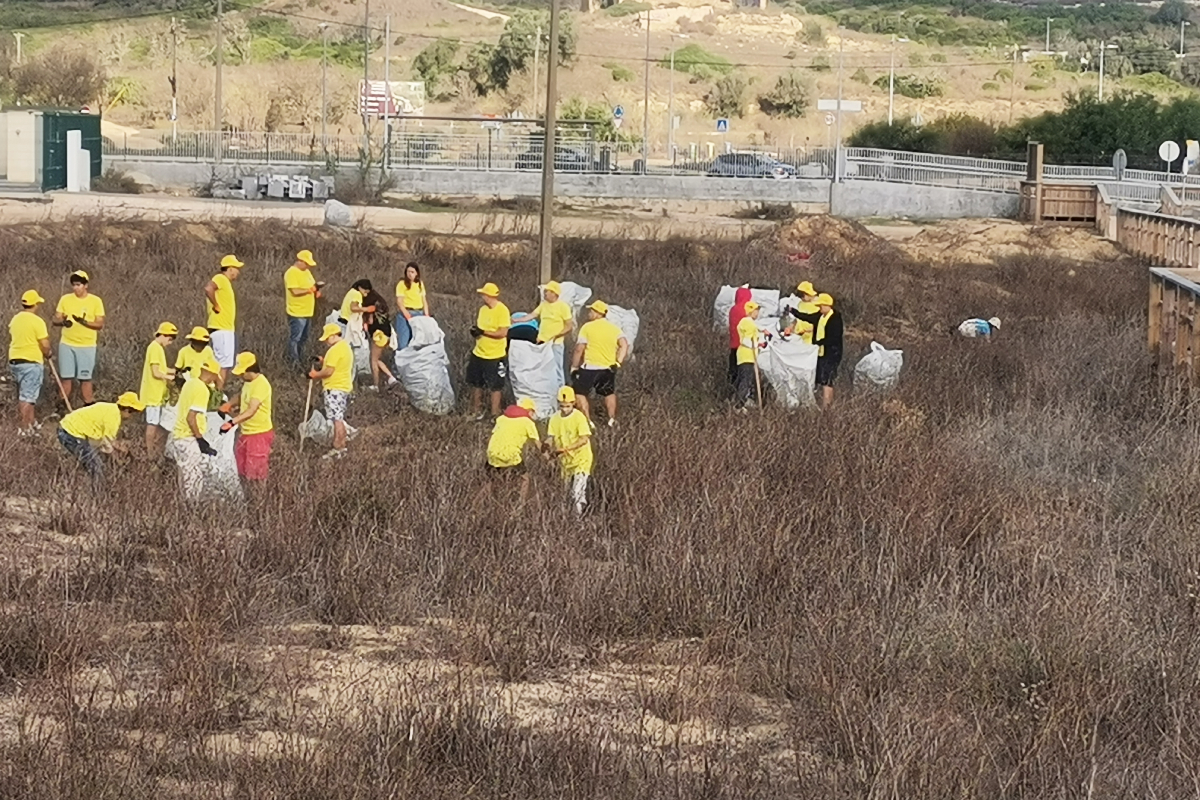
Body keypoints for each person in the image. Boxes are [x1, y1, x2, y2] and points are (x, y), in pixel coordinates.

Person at [57, 391, 144, 482]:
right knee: (95, 466)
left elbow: (101, 441)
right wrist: (121, 454)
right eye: (132, 412)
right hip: (71, 433)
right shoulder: (114, 418)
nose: (131, 416)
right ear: (126, 409)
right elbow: (108, 443)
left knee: (90, 460)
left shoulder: (109, 408)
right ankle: (99, 493)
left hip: (67, 429)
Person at [571, 300, 629, 428]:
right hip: (608, 368)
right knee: (608, 393)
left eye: (591, 311)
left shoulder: (587, 327)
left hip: (589, 367)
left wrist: (574, 367)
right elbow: (624, 344)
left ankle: (587, 421)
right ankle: (612, 419)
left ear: (598, 313)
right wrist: (618, 362)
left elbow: (579, 349)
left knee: (580, 393)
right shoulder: (614, 328)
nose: (589, 313)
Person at [170, 356, 221, 500]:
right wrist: (200, 440)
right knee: (193, 479)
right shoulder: (202, 390)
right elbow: (191, 418)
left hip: (178, 436)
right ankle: (193, 510)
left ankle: (182, 507)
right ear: (212, 374)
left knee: (183, 477)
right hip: (189, 438)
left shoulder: (190, 383)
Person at [53, 270, 105, 407]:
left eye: (79, 284)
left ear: (85, 285)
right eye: (74, 285)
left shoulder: (95, 301)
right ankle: (61, 407)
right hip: (67, 344)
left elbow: (99, 324)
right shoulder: (65, 299)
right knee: (66, 378)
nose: (76, 288)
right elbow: (56, 318)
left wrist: (84, 322)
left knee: (85, 379)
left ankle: (88, 406)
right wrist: (62, 322)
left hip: (87, 345)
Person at [221, 351, 274, 484]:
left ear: (250, 370)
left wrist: (232, 422)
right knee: (242, 469)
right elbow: (242, 396)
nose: (239, 375)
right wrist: (229, 404)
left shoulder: (261, 384)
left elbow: (251, 410)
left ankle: (258, 500)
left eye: (241, 372)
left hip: (258, 434)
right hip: (245, 433)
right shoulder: (248, 382)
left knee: (256, 473)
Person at [512, 280, 574, 387]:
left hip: (555, 344)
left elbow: (569, 326)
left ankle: (560, 392)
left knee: (557, 368)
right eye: (545, 291)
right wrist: (517, 320)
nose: (545, 294)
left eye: (548, 291)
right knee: (543, 369)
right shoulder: (543, 305)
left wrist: (556, 336)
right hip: (541, 342)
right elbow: (532, 315)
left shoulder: (563, 307)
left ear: (555, 294)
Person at [544, 386, 593, 516]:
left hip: (581, 459)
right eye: (562, 406)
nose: (565, 409)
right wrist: (547, 447)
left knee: (577, 491)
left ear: (573, 403)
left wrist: (565, 449)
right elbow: (551, 437)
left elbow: (584, 439)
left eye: (568, 406)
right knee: (564, 491)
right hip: (565, 462)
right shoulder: (554, 418)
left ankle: (579, 518)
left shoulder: (579, 417)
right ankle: (566, 516)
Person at [9, 289, 51, 436]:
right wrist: (48, 353)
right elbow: (44, 344)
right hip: (31, 362)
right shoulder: (37, 321)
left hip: (15, 361)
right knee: (27, 396)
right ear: (35, 304)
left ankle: (31, 423)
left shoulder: (15, 319)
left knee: (28, 394)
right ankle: (24, 428)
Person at [309, 323, 354, 460]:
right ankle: (343, 446)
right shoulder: (345, 347)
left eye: (328, 338)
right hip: (344, 387)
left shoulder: (334, 350)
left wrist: (314, 375)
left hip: (334, 389)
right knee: (339, 417)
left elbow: (329, 371)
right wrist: (322, 360)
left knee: (337, 420)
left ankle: (338, 447)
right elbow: (334, 364)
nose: (326, 342)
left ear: (334, 336)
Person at [485, 397, 541, 505]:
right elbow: (539, 446)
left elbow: (492, 436)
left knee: (490, 482)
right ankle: (521, 505)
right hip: (510, 455)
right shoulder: (527, 422)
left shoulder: (502, 418)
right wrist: (549, 458)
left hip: (492, 453)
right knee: (525, 478)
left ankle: (477, 506)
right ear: (529, 411)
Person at [467, 282, 511, 419]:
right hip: (479, 352)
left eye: (484, 294)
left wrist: (484, 332)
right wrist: (476, 332)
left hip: (495, 355)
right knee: (476, 383)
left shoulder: (502, 311)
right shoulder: (482, 310)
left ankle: (495, 414)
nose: (482, 297)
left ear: (490, 296)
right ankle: (476, 411)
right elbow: (481, 328)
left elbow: (502, 333)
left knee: (495, 386)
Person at [139, 322, 178, 459]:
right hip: (152, 394)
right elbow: (156, 372)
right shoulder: (154, 348)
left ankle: (154, 449)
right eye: (170, 338)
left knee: (157, 424)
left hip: (158, 394)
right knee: (152, 424)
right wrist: (170, 378)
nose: (170, 342)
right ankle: (150, 453)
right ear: (164, 335)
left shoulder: (158, 349)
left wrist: (176, 371)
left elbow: (162, 368)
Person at [205, 254, 243, 382]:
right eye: (236, 268)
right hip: (222, 327)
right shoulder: (220, 278)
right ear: (230, 268)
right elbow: (209, 288)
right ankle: (218, 394)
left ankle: (213, 392)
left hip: (222, 328)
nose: (238, 272)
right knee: (223, 365)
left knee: (218, 363)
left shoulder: (225, 282)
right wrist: (216, 305)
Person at [284, 249, 323, 367]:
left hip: (308, 311)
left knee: (304, 338)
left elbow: (312, 285)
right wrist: (309, 291)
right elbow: (295, 291)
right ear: (300, 261)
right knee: (295, 338)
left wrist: (316, 291)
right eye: (306, 264)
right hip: (297, 312)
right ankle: (293, 363)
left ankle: (300, 358)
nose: (308, 267)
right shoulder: (291, 273)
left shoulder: (306, 272)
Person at [813, 293, 843, 409]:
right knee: (822, 378)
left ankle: (827, 406)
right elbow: (809, 317)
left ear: (827, 305)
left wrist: (820, 342)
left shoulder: (835, 319)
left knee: (828, 380)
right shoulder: (821, 317)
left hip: (832, 353)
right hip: (822, 353)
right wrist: (794, 312)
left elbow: (834, 337)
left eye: (821, 306)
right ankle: (824, 404)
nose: (819, 308)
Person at [394, 262, 431, 351]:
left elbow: (424, 300)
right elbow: (399, 301)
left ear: (416, 273)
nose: (410, 274)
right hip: (406, 313)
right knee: (404, 342)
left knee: (417, 342)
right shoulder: (402, 284)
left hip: (419, 313)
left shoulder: (419, 284)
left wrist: (426, 315)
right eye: (408, 272)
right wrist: (406, 314)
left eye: (412, 272)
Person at [734, 301, 762, 410]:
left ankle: (745, 401)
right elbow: (746, 340)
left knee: (746, 379)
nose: (757, 314)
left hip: (747, 356)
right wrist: (756, 345)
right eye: (756, 311)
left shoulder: (746, 322)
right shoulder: (748, 323)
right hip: (747, 356)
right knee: (745, 380)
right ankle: (739, 405)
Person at [726, 285, 752, 385]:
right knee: (743, 374)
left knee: (733, 371)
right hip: (743, 347)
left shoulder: (733, 310)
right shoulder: (746, 310)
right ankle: (741, 396)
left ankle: (730, 392)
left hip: (733, 344)